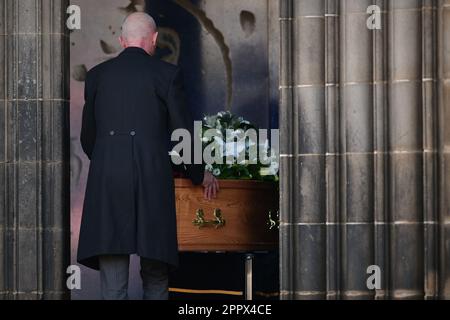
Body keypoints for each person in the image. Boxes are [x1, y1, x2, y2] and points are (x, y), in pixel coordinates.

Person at [77, 12, 219, 300]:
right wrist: (197, 172)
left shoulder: (96, 77)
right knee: (155, 275)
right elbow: (182, 134)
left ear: (121, 40)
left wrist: (110, 161)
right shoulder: (166, 74)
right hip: (151, 178)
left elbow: (87, 138)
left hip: (108, 181)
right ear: (153, 39)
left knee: (113, 282)